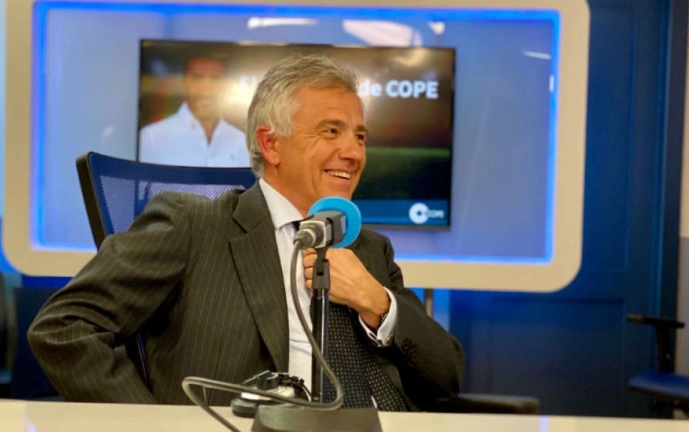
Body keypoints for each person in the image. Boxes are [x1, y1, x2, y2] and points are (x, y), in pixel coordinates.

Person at [28, 55, 464, 410]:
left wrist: (377, 302)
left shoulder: (368, 247)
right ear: (271, 144)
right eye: (331, 131)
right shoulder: (193, 224)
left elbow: (446, 378)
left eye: (361, 137)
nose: (353, 152)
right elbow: (64, 327)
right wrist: (152, 426)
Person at [138, 56, 249, 167]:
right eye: (197, 77)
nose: (206, 87)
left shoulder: (242, 142)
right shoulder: (152, 137)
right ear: (183, 83)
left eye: (215, 79)